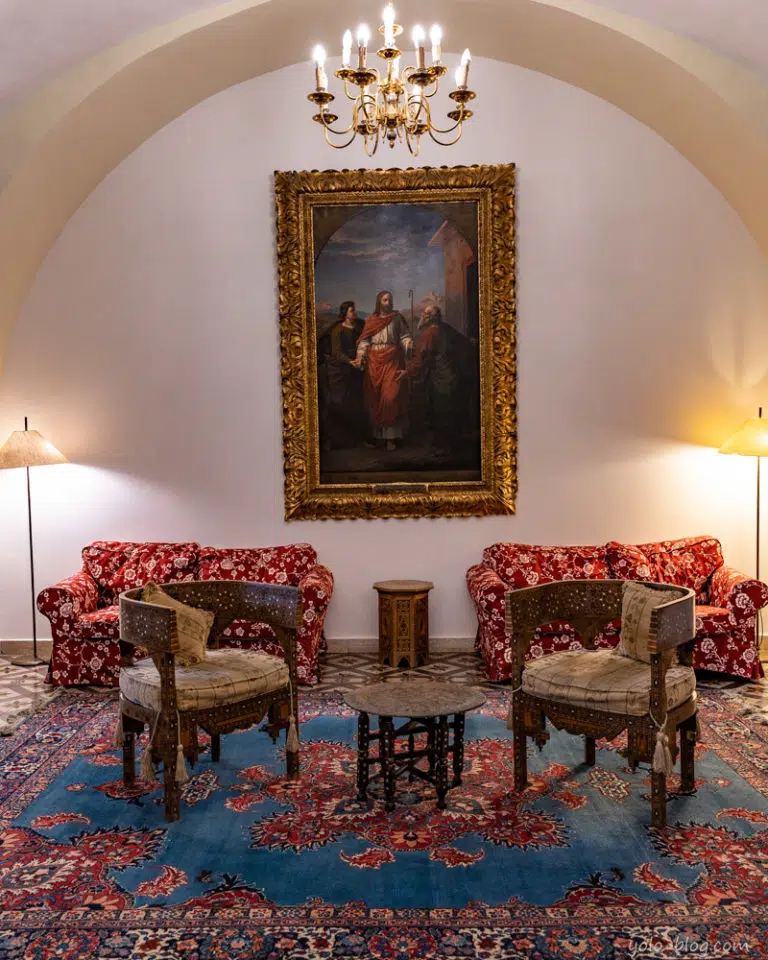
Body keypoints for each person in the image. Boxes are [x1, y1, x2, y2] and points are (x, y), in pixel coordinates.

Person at [399, 303, 473, 455]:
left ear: (429, 318)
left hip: (441, 377)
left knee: (442, 411)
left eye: (425, 314)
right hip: (452, 375)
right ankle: (450, 445)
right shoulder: (444, 328)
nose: (422, 316)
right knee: (448, 410)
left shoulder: (430, 333)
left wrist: (408, 371)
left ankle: (445, 447)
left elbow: (421, 358)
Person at [351, 290, 412, 451]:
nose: (388, 303)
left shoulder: (397, 318)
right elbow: (364, 340)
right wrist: (360, 355)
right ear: (379, 302)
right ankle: (379, 437)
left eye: (390, 300)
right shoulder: (371, 320)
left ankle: (391, 438)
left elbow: (404, 336)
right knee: (375, 398)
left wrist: (408, 344)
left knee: (390, 397)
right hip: (374, 363)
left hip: (392, 360)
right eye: (385, 300)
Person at [318, 301, 367, 449]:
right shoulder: (337, 330)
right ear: (345, 313)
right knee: (338, 402)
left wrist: (360, 358)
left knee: (357, 403)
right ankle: (336, 441)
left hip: (356, 368)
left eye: (355, 310)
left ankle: (359, 439)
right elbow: (337, 352)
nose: (355, 312)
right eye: (352, 310)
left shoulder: (359, 327)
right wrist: (350, 361)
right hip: (340, 370)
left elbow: (364, 344)